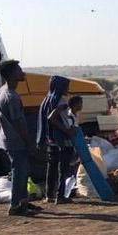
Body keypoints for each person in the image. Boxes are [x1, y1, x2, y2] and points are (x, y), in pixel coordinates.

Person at [0, 60, 41, 217]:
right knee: (20, 172)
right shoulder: (11, 97)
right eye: (19, 70)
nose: (23, 72)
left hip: (8, 139)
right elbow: (19, 123)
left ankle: (23, 202)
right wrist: (30, 144)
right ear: (12, 74)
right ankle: (16, 206)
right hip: (16, 141)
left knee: (22, 170)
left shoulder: (2, 92)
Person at [37, 75, 77, 204]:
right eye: (66, 86)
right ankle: (61, 195)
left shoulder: (47, 99)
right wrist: (66, 130)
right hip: (62, 140)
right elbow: (52, 118)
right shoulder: (61, 101)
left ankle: (49, 195)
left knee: (52, 167)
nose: (68, 89)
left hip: (51, 139)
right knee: (64, 168)